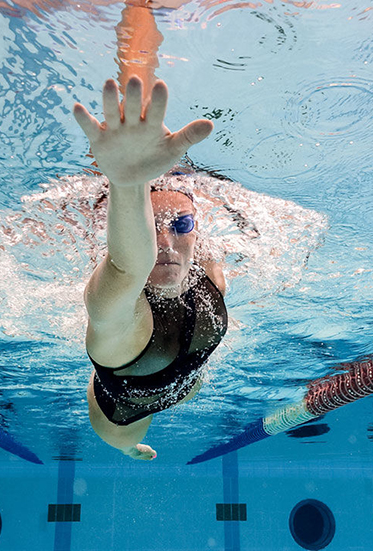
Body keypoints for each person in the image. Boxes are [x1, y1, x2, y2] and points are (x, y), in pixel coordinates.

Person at [73, 2, 228, 460]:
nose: (166, 241)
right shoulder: (116, 313)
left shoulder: (210, 275)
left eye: (180, 224)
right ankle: (127, 448)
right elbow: (126, 263)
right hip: (126, 411)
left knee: (188, 379)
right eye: (151, 224)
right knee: (120, 442)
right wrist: (126, 182)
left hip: (181, 375)